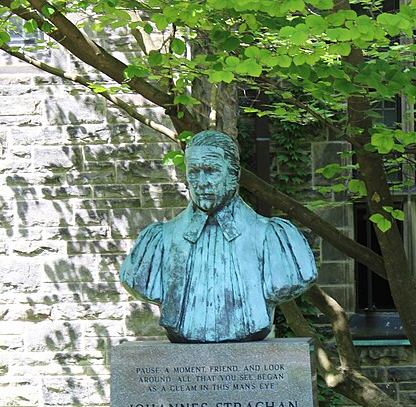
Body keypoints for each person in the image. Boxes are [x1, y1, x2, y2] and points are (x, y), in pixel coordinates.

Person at [120, 131, 317, 343]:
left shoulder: (273, 238)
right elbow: (136, 282)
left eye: (211, 170)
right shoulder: (158, 241)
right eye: (194, 172)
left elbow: (289, 282)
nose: (201, 182)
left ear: (234, 175)